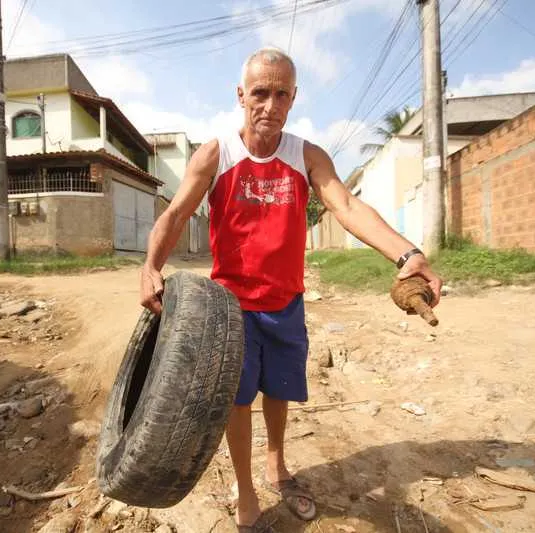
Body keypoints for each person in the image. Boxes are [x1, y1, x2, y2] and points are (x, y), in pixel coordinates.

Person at [140, 47, 443, 532]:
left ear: (293, 98)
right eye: (260, 92)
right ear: (241, 95)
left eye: (281, 94)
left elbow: (346, 206)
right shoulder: (217, 154)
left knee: (277, 391)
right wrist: (151, 266)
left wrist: (408, 255)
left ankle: (276, 464)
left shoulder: (306, 155)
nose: (270, 104)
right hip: (230, 309)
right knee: (237, 401)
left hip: (285, 304)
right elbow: (176, 213)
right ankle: (244, 490)